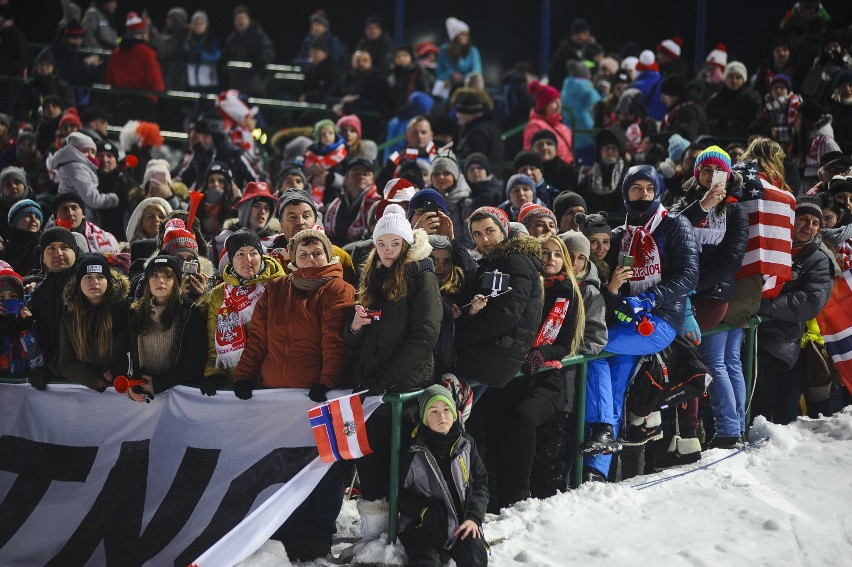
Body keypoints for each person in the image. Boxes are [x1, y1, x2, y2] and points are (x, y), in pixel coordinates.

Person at [230, 229, 353, 560]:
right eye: (303, 254)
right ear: (291, 258)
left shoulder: (338, 288)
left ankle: (319, 532)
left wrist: (326, 382)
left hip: (318, 398)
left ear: (329, 256)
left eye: (317, 254)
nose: (310, 260)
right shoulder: (276, 288)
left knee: (324, 467)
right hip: (278, 399)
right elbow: (258, 339)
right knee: (286, 465)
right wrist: (244, 376)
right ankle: (290, 528)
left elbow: (334, 341)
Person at [341, 205, 441, 558]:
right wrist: (354, 327)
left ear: (405, 243)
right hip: (371, 387)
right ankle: (374, 535)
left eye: (394, 243)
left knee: (398, 462)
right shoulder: (371, 276)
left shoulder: (421, 275)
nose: (386, 250)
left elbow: (425, 334)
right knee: (368, 460)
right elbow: (357, 339)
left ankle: (400, 536)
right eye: (380, 243)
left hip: (403, 386)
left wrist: (389, 376)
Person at [603, 166, 698, 450]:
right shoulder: (621, 234)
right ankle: (606, 460)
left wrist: (651, 298)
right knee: (615, 383)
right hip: (625, 318)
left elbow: (689, 274)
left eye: (649, 188)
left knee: (596, 348)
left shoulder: (676, 224)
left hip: (661, 319)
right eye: (636, 188)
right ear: (625, 194)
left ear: (657, 192)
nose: (643, 194)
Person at [488, 233, 582, 507]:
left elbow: (565, 344)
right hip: (512, 376)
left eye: (556, 254)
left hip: (547, 380)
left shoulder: (568, 293)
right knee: (499, 429)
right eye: (544, 252)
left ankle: (521, 492)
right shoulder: (526, 284)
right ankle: (500, 498)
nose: (550, 259)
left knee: (524, 417)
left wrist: (542, 353)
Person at [669, 147, 749, 450]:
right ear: (696, 172)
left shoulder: (735, 210)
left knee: (716, 361)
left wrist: (690, 283)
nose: (710, 175)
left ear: (727, 176)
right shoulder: (685, 203)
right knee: (725, 361)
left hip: (712, 296)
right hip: (688, 293)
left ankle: (728, 429)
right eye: (705, 169)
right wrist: (701, 207)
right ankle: (733, 426)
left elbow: (731, 260)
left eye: (718, 171)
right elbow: (671, 230)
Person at [753, 196, 835, 424]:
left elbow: (810, 302)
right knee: (758, 408)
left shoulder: (819, 260)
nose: (808, 226)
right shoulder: (769, 247)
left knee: (781, 414)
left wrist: (763, 307)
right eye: (803, 219)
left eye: (815, 222)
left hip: (789, 346)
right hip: (754, 339)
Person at [398, 385, 489, 567]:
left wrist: (473, 518)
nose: (442, 416)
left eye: (446, 409)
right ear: (424, 418)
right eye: (434, 411)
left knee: (475, 554)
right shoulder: (413, 452)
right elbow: (398, 494)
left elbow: (480, 485)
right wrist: (423, 512)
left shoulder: (466, 444)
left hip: (461, 525)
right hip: (424, 529)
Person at [202, 229, 284, 392]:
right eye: (240, 254)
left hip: (274, 379)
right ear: (231, 260)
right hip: (236, 381)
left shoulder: (280, 285)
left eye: (254, 253)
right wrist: (214, 373)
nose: (248, 260)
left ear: (261, 256)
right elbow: (214, 343)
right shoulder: (219, 295)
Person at [126, 254, 207, 401]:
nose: (160, 281)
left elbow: (194, 361)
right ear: (147, 281)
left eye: (167, 276)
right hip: (146, 393)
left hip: (181, 394)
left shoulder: (191, 312)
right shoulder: (134, 312)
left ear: (176, 281)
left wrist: (159, 383)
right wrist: (133, 382)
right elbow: (129, 354)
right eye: (154, 276)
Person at [58, 254, 131, 391]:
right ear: (79, 282)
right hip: (90, 393)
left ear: (108, 281)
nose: (94, 282)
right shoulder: (70, 317)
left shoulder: (127, 309)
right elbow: (65, 363)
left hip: (124, 387)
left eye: (100, 276)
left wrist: (119, 370)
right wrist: (92, 378)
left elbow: (137, 351)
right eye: (88, 277)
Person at [27, 227, 84, 390]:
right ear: (43, 259)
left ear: (76, 252)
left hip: (88, 374)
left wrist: (50, 368)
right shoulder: (39, 293)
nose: (58, 253)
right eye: (51, 248)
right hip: (56, 376)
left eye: (64, 247)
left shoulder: (88, 286)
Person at [268, 188, 357, 286]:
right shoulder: (272, 263)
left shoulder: (338, 256)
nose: (300, 222)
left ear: (315, 220)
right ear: (281, 224)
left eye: (306, 216)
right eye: (292, 217)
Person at [104, 12, 165, 123]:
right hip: (145, 102)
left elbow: (110, 78)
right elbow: (157, 82)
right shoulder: (147, 52)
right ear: (143, 33)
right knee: (144, 136)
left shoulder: (116, 52)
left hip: (123, 101)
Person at [53, 132, 122, 229]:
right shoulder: (77, 168)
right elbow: (92, 199)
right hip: (83, 220)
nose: (90, 155)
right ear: (74, 151)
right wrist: (115, 198)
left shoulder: (72, 165)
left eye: (93, 152)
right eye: (85, 150)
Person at [209, 181, 279, 266]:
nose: (262, 212)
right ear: (244, 209)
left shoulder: (277, 242)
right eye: (257, 206)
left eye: (267, 208)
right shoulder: (221, 240)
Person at [324, 158, 380, 247]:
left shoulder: (378, 205)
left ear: (372, 180)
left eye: (366, 174)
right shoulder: (333, 205)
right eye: (356, 173)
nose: (361, 176)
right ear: (346, 179)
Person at [222, 5, 275, 96]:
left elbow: (269, 53)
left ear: (249, 19)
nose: (240, 21)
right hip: (236, 86)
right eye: (237, 19)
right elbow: (225, 56)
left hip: (254, 86)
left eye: (243, 18)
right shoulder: (232, 38)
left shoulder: (258, 35)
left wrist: (257, 62)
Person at [577, 127, 629, 214]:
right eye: (606, 148)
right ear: (600, 153)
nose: (610, 152)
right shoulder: (588, 177)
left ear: (620, 152)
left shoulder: (629, 176)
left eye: (614, 149)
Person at [15, 49, 75, 122]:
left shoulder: (63, 86)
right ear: (36, 67)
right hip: (33, 123)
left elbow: (70, 108)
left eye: (47, 65)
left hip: (59, 123)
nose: (44, 68)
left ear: (53, 67)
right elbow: (19, 109)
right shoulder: (28, 87)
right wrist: (32, 115)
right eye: (41, 65)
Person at [706, 62, 762, 140]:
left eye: (738, 77)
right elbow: (710, 123)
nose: (734, 81)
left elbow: (756, 124)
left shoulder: (752, 99)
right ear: (725, 79)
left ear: (743, 79)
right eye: (730, 77)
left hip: (744, 142)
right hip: (720, 141)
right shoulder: (715, 99)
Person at [524, 80, 574, 165]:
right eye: (554, 102)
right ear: (543, 106)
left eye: (559, 101)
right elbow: (530, 152)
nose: (559, 105)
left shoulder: (562, 127)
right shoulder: (535, 125)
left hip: (565, 171)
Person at [93, 139, 133, 240]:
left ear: (116, 159)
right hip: (94, 239)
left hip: (122, 240)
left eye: (109, 156)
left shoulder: (129, 185)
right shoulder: (88, 184)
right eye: (100, 155)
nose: (105, 160)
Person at [436, 17, 482, 95]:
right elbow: (439, 72)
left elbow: (476, 72)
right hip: (448, 88)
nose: (466, 37)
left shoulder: (473, 51)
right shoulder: (443, 51)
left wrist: (463, 77)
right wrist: (451, 75)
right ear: (455, 37)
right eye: (463, 35)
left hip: (467, 88)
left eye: (467, 35)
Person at [0, 268, 32, 377]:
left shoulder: (28, 322)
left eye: (13, 297)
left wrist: (27, 326)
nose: (7, 301)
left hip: (23, 386)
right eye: (1, 297)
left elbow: (37, 359)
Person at [659, 74, 708, 141]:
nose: (662, 99)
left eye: (665, 94)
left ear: (674, 95)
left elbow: (684, 135)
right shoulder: (683, 108)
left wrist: (657, 139)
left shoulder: (689, 111)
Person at [1, 199, 42, 276]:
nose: (33, 220)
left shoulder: (44, 247)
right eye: (27, 216)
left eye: (37, 217)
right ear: (15, 221)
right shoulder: (5, 250)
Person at [184, 11, 221, 92]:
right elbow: (183, 55)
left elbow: (217, 56)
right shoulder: (188, 40)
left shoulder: (211, 39)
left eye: (201, 24)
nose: (199, 26)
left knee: (209, 102)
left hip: (209, 82)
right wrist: (188, 56)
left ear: (206, 25)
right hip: (192, 81)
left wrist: (201, 56)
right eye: (196, 24)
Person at [299, 37, 341, 104]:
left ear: (325, 53)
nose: (313, 55)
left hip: (323, 106)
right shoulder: (311, 68)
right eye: (312, 52)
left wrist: (308, 97)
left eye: (316, 52)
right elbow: (304, 87)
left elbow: (328, 92)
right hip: (308, 103)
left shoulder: (332, 69)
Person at [0, 166, 35, 240]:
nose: (13, 186)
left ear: (24, 185)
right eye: (8, 184)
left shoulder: (42, 209)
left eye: (17, 182)